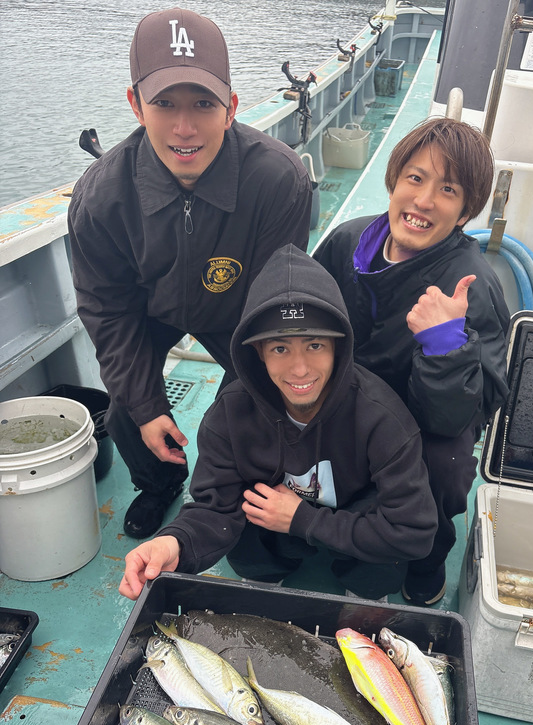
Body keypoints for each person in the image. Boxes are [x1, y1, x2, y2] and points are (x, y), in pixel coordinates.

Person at [68, 8, 313, 540]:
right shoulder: (100, 197)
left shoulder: (279, 180)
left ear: (231, 108)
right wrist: (147, 406)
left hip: (240, 313)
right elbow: (108, 311)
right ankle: (159, 484)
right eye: (164, 104)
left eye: (203, 103)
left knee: (253, 407)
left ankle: (232, 495)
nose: (184, 128)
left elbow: (276, 303)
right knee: (128, 407)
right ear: (135, 104)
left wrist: (235, 411)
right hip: (149, 310)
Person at [119, 244, 437, 601]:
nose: (299, 369)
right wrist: (173, 542)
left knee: (380, 568)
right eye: (280, 348)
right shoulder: (228, 414)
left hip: (351, 516)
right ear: (258, 352)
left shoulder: (382, 417)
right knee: (248, 520)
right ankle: (266, 574)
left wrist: (305, 520)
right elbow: (214, 508)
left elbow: (414, 531)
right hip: (274, 517)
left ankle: (363, 587)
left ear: (338, 346)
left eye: (315, 345)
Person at [313, 116, 510, 607]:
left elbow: (464, 415)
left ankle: (425, 556)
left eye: (448, 190)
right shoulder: (345, 242)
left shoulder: (473, 285)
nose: (423, 201)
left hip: (421, 420)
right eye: (415, 178)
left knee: (446, 465)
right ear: (394, 181)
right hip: (340, 401)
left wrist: (445, 346)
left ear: (465, 212)